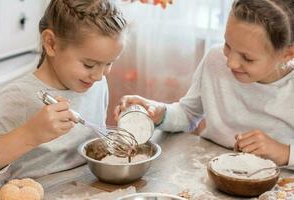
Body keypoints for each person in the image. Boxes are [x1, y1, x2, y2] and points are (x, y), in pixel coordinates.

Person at [114, 0, 294, 167]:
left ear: (288, 54)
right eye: (227, 45)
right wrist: (159, 113)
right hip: (208, 166)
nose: (230, 63)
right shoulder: (215, 59)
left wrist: (284, 153)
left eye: (247, 58)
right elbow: (188, 115)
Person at [0, 0, 127, 191]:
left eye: (109, 64)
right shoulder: (17, 97)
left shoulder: (97, 85)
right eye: (89, 65)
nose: (98, 76)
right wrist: (29, 134)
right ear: (51, 44)